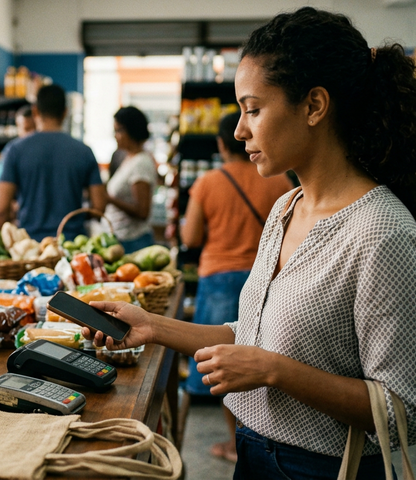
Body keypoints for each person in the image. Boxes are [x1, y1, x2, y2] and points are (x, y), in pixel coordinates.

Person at [86, 7, 416, 479]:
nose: (240, 129)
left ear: (314, 106)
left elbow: (401, 409)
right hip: (254, 453)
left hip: (320, 469)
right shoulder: (285, 208)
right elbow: (253, 336)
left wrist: (274, 371)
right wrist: (151, 326)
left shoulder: (382, 231)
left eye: (253, 109)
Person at [180, 112, 293, 463]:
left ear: (220, 143)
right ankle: (261, 442)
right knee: (259, 362)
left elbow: (190, 237)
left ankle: (234, 442)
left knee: (222, 365)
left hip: (219, 277)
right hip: (268, 278)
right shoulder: (280, 181)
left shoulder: (208, 182)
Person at [0, 84, 106, 241]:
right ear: (65, 113)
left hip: (30, 245)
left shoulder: (15, 150)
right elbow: (99, 208)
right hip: (72, 245)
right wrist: (76, 217)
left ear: (35, 111)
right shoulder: (84, 152)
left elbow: (1, 209)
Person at [104, 106, 157, 253]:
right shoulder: (128, 158)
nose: (115, 136)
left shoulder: (141, 163)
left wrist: (109, 198)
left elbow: (142, 211)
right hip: (123, 239)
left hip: (133, 242)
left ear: (131, 131)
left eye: (119, 131)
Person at [0, 104, 35, 202]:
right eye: (26, 129)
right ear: (18, 128)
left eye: (33, 129)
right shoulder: (12, 153)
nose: (30, 134)